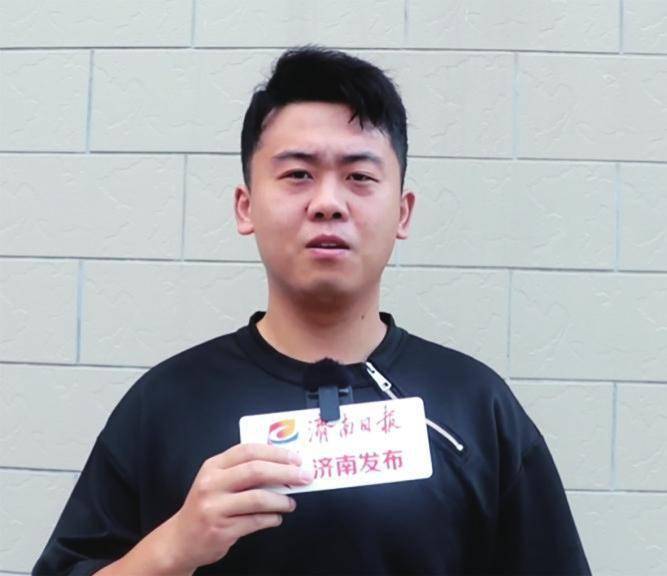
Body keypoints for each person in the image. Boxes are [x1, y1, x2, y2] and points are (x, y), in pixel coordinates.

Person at [33, 46, 591, 575]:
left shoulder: (475, 405)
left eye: (359, 177)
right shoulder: (164, 404)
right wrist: (173, 548)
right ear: (246, 206)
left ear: (402, 212)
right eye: (298, 174)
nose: (328, 203)